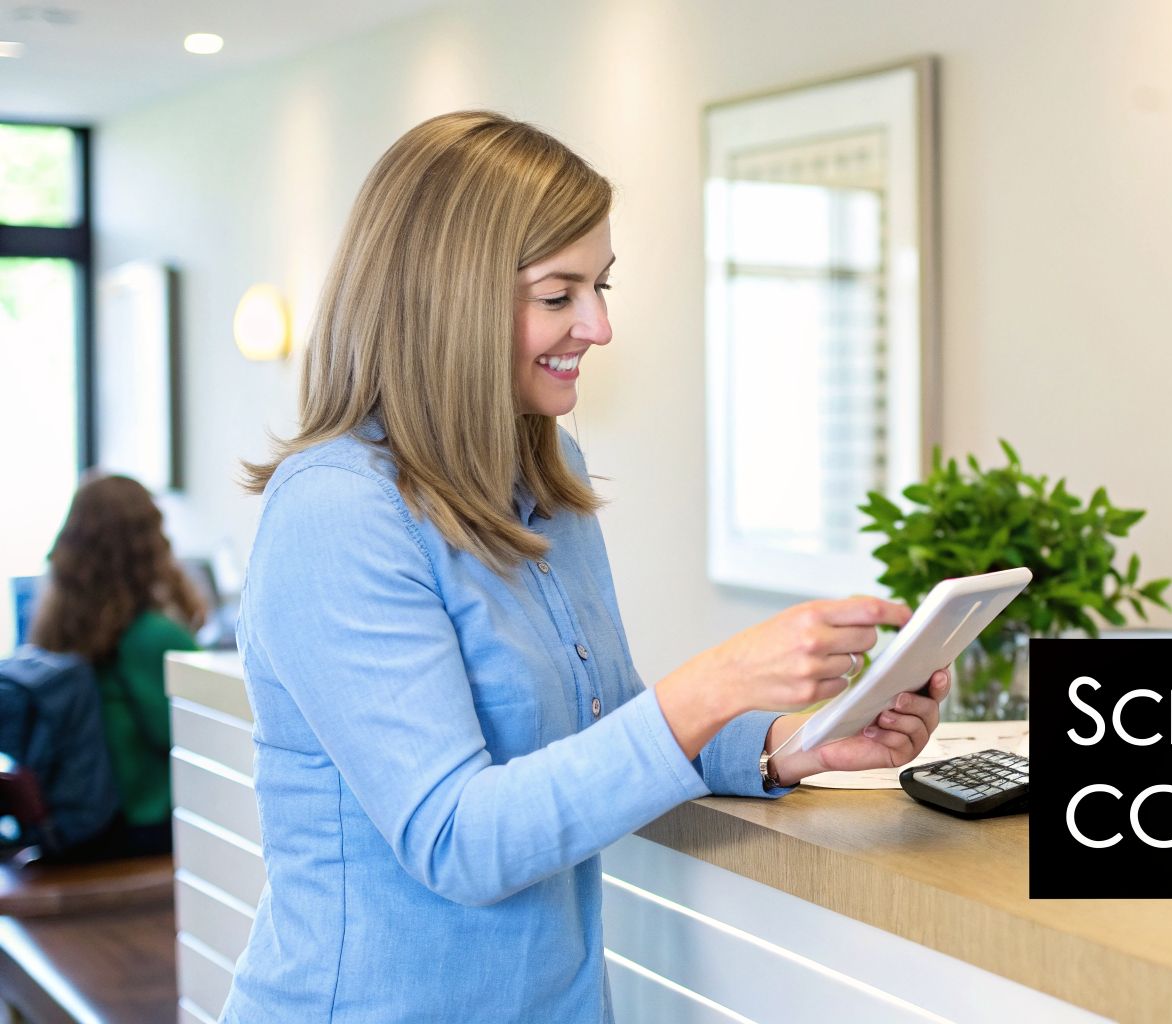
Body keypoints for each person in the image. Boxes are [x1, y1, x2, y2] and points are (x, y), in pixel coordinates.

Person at [221, 111, 949, 1024]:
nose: (599, 326)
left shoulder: (544, 479)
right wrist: (711, 685)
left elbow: (597, 732)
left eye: (599, 286)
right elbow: (458, 842)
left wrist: (791, 743)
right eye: (558, 294)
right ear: (450, 298)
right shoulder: (337, 511)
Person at [28, 473, 205, 858]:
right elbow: (200, 734)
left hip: (84, 819)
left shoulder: (57, 625)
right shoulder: (153, 636)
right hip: (145, 824)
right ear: (147, 543)